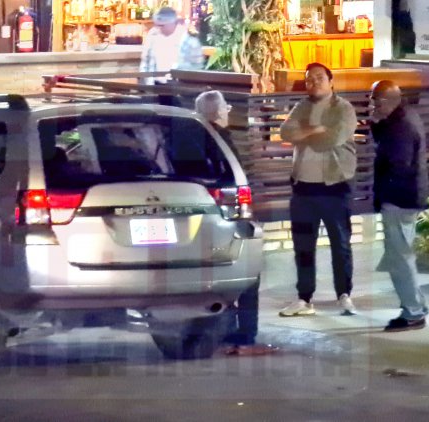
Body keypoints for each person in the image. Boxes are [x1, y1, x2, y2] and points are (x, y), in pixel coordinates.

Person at [195, 90, 277, 356]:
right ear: (219, 113)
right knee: (247, 276)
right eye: (226, 108)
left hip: (201, 222)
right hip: (228, 219)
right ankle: (245, 338)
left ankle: (223, 333)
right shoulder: (223, 141)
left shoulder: (191, 139)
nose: (228, 112)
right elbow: (236, 183)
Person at [278, 63, 358, 317]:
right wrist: (316, 129)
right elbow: (285, 131)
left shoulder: (343, 108)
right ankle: (304, 298)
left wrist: (305, 133)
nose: (314, 82)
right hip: (303, 188)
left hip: (335, 186)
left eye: (319, 78)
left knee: (340, 244)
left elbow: (332, 140)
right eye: (309, 79)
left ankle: (344, 295)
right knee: (303, 245)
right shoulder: (302, 106)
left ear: (331, 81)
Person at [369, 80, 429, 332]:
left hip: (399, 199)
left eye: (373, 100)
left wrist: (384, 192)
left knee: (399, 257)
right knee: (401, 254)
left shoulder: (402, 126)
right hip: (405, 197)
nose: (371, 104)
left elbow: (398, 164)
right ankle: (416, 307)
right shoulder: (402, 118)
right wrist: (375, 124)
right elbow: (387, 141)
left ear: (384, 100)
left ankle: (413, 312)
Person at [139, 7, 204, 85]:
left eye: (162, 25)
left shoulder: (189, 40)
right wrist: (143, 82)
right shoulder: (153, 35)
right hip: (154, 86)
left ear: (172, 23)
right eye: (157, 25)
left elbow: (197, 67)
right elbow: (146, 60)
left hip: (178, 88)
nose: (158, 28)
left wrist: (178, 69)